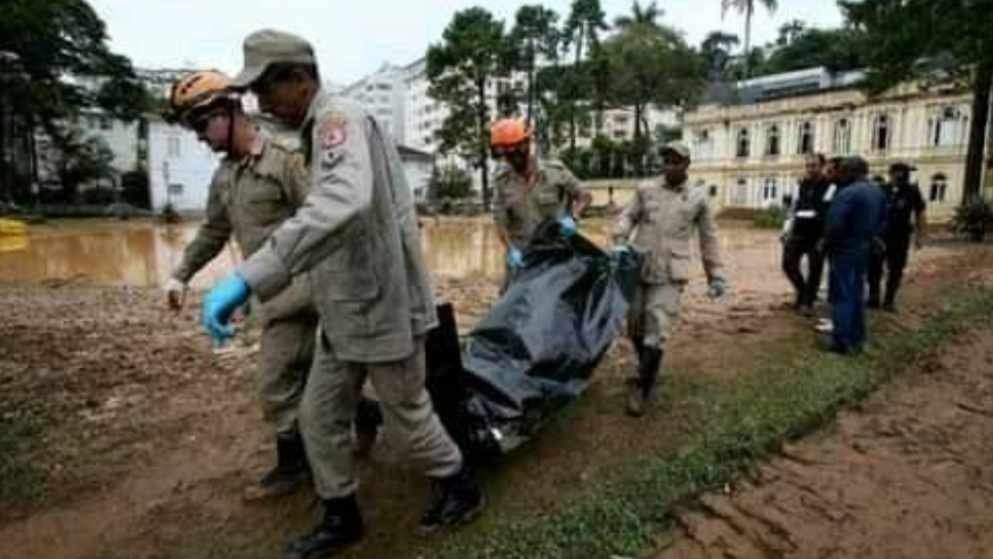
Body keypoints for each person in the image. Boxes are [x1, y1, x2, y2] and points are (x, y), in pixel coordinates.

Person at [200, 30, 483, 557]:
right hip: (343, 307)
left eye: (265, 88)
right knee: (318, 415)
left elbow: (341, 200)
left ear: (299, 78)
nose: (259, 103)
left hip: (381, 306)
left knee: (408, 418)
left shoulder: (338, 120)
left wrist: (249, 276)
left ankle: (459, 484)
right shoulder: (312, 130)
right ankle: (341, 514)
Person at [164, 70, 328, 501]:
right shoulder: (224, 177)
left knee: (276, 385)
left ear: (229, 111)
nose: (200, 137)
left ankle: (299, 467)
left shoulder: (285, 159)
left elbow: (323, 217)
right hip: (269, 296)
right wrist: (180, 274)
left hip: (305, 294)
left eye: (202, 125)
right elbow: (214, 232)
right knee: (315, 383)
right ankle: (362, 421)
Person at [611, 142, 728, 417]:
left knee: (657, 326)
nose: (669, 166)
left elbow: (708, 239)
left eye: (675, 161)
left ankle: (641, 387)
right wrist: (619, 237)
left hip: (671, 273)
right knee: (635, 326)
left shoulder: (698, 198)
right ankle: (647, 371)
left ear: (686, 165)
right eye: (666, 160)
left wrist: (716, 276)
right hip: (638, 266)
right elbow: (628, 216)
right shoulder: (646, 189)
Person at [489, 118, 592, 290]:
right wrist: (511, 250)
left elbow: (585, 196)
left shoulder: (555, 172)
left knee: (556, 306)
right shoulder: (502, 182)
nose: (512, 160)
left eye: (515, 153)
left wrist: (573, 217)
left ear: (526, 145)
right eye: (507, 155)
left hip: (555, 255)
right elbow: (500, 223)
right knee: (512, 306)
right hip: (524, 257)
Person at [822, 157, 887, 354]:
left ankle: (841, 341)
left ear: (852, 171)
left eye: (842, 170)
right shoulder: (877, 192)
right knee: (857, 294)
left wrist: (826, 242)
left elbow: (835, 224)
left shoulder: (847, 193)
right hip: (863, 248)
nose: (839, 174)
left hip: (844, 249)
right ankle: (858, 339)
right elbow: (884, 220)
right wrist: (871, 238)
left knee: (842, 294)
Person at [867, 162, 927, 312]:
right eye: (895, 174)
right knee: (874, 268)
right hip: (880, 236)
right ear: (890, 174)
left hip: (900, 237)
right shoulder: (881, 189)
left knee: (896, 269)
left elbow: (920, 213)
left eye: (903, 174)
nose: (898, 177)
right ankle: (873, 297)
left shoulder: (912, 191)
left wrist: (920, 236)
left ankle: (889, 300)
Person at [781, 153, 829, 313]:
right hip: (799, 230)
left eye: (814, 165)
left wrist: (825, 236)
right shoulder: (802, 184)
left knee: (815, 268)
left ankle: (807, 302)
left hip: (818, 233)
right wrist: (786, 230)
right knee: (788, 264)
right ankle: (802, 292)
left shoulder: (830, 185)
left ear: (822, 166)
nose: (810, 169)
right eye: (808, 165)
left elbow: (829, 210)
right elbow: (794, 208)